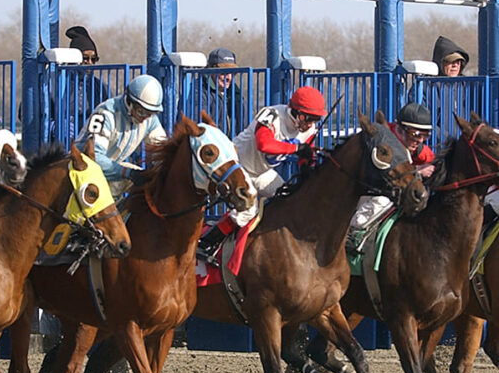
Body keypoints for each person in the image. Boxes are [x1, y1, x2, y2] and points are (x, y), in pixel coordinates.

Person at [197, 85, 326, 259]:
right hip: (237, 168)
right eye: (307, 117)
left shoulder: (310, 130)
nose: (310, 124)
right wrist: (296, 148)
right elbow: (264, 144)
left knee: (288, 200)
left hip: (263, 172)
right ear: (294, 112)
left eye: (315, 119)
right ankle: (207, 243)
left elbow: (305, 152)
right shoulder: (272, 115)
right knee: (248, 210)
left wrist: (306, 165)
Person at [347, 102, 436, 251]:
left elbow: (431, 158)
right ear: (400, 129)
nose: (420, 140)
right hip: (367, 191)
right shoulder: (383, 142)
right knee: (381, 202)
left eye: (425, 135)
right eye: (415, 134)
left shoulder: (416, 147)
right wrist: (417, 171)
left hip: (396, 190)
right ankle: (352, 232)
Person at [74, 74, 167, 197]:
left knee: (149, 181)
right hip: (82, 171)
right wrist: (128, 173)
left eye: (150, 113)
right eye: (141, 111)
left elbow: (162, 150)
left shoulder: (150, 119)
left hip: (110, 170)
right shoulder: (106, 113)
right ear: (129, 102)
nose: (145, 118)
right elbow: (94, 157)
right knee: (132, 175)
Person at [65, 26, 109, 136]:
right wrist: (53, 125)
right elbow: (26, 113)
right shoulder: (55, 83)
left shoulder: (100, 87)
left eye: (93, 59)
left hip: (89, 144)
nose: (89, 63)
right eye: (85, 58)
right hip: (60, 146)